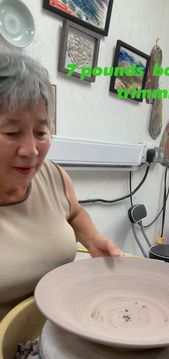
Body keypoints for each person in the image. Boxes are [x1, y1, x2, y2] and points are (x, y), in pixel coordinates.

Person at [0, 52, 122, 320]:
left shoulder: (53, 176)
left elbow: (74, 213)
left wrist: (92, 239)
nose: (31, 150)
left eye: (41, 132)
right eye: (11, 133)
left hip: (59, 324)